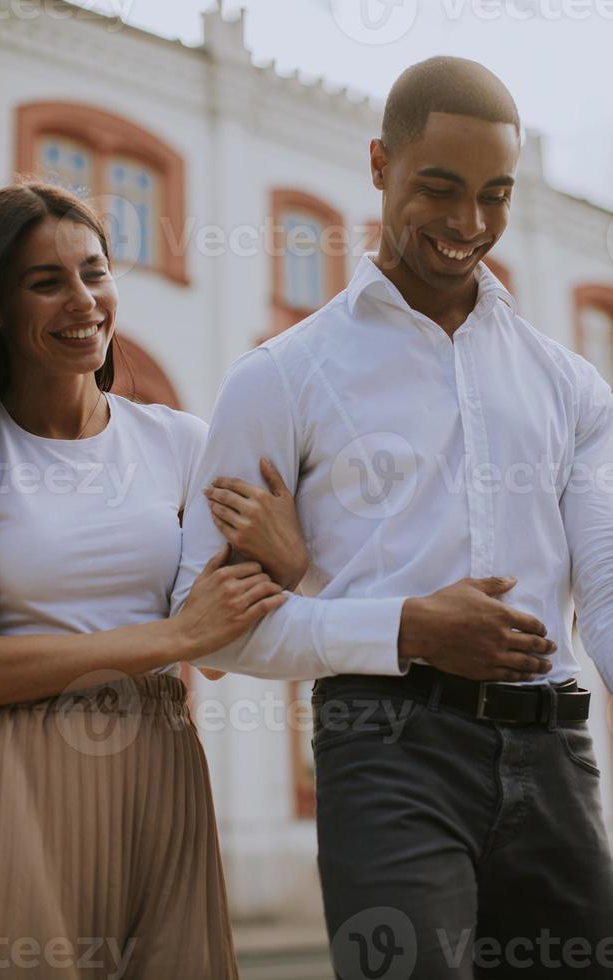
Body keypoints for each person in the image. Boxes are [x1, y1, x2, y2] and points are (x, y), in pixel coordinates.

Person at [171, 56, 613, 978]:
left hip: (555, 755)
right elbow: (207, 632)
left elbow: (604, 594)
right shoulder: (281, 376)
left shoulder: (570, 385)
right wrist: (407, 627)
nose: (468, 225)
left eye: (495, 195)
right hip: (387, 751)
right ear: (380, 165)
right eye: (440, 189)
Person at [0, 180, 313, 980]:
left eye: (95, 271)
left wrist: (287, 568)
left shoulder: (184, 442)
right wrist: (174, 637)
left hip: (162, 765)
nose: (83, 300)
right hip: (19, 770)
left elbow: (220, 648)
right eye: (46, 282)